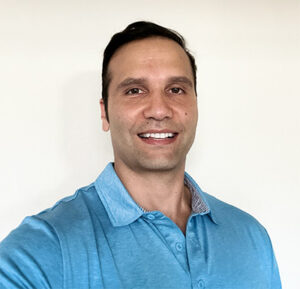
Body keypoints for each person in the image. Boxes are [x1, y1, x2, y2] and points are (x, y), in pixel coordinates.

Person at [0, 21, 281, 289]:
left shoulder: (251, 236)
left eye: (176, 89)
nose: (159, 109)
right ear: (104, 112)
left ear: (195, 105)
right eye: (135, 90)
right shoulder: (38, 251)